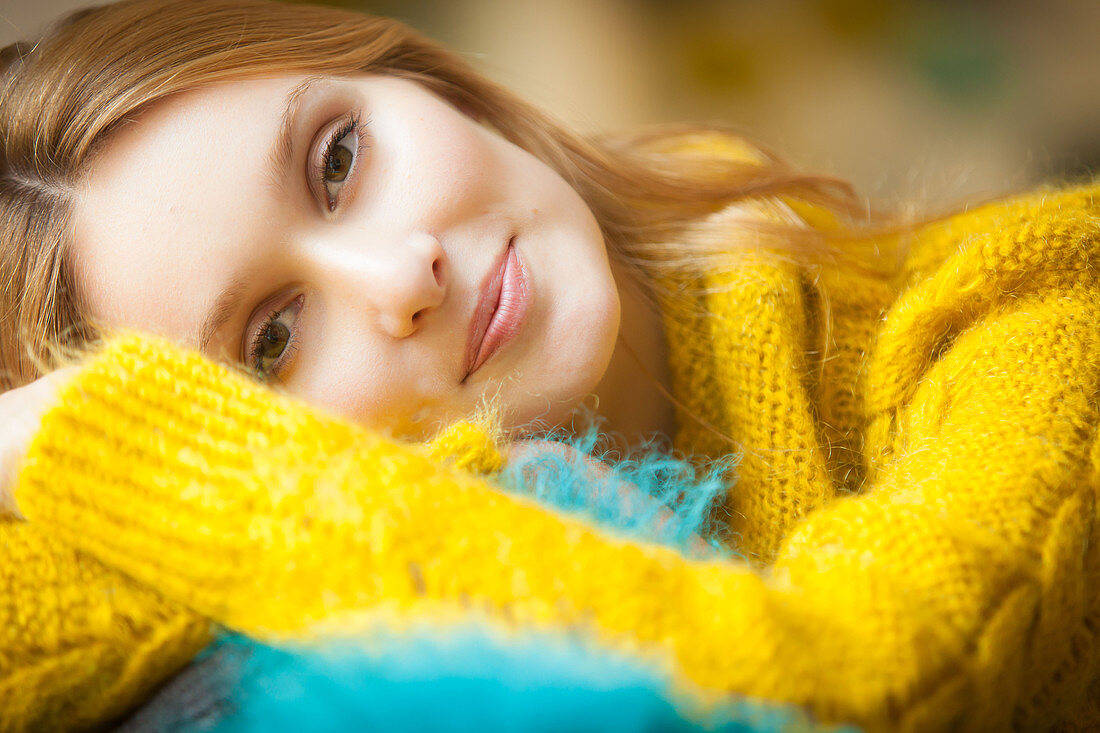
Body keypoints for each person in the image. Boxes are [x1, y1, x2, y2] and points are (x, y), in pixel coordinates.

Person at [3, 0, 1100, 731]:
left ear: (441, 92)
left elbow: (860, 681)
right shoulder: (335, 515)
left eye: (339, 159)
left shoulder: (1035, 297)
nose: (401, 275)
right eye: (273, 341)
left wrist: (101, 442)